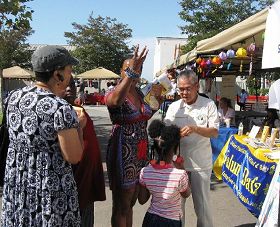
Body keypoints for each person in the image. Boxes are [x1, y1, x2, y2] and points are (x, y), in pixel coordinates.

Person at [1, 45, 85, 226]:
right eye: (69, 70)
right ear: (57, 75)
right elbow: (74, 156)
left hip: (18, 185)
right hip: (49, 189)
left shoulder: (13, 98)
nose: (71, 76)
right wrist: (79, 127)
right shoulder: (60, 108)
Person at [164, 69, 219, 227]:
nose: (184, 92)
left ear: (196, 86)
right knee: (177, 209)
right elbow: (166, 134)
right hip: (177, 166)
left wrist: (195, 129)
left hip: (200, 165)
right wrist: (172, 135)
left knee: (202, 208)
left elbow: (214, 132)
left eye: (188, 88)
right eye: (181, 89)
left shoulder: (208, 104)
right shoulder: (174, 107)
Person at [105, 45, 152, 227]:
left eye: (138, 69)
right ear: (121, 72)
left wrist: (156, 103)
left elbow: (143, 115)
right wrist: (131, 73)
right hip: (123, 153)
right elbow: (115, 101)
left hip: (140, 152)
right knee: (122, 205)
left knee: (132, 201)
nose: (134, 72)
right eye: (129, 69)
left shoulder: (139, 93)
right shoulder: (114, 92)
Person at [64, 76, 106, 226]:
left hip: (88, 180)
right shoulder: (60, 113)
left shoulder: (80, 110)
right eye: (65, 85)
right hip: (74, 182)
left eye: (73, 85)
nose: (70, 88)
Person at [138, 120, 191, 227]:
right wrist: (183, 169)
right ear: (174, 149)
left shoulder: (145, 171)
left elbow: (142, 200)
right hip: (171, 221)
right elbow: (186, 194)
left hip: (150, 219)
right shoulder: (180, 175)